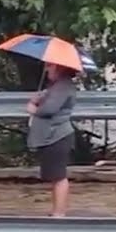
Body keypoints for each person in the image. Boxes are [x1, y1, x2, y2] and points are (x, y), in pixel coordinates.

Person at [26, 62, 78, 217]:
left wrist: (32, 107)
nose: (47, 69)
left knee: (59, 176)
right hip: (52, 135)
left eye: (50, 66)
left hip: (57, 135)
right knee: (55, 176)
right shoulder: (57, 86)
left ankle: (59, 212)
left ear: (60, 68)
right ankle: (57, 210)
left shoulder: (63, 87)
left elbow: (49, 109)